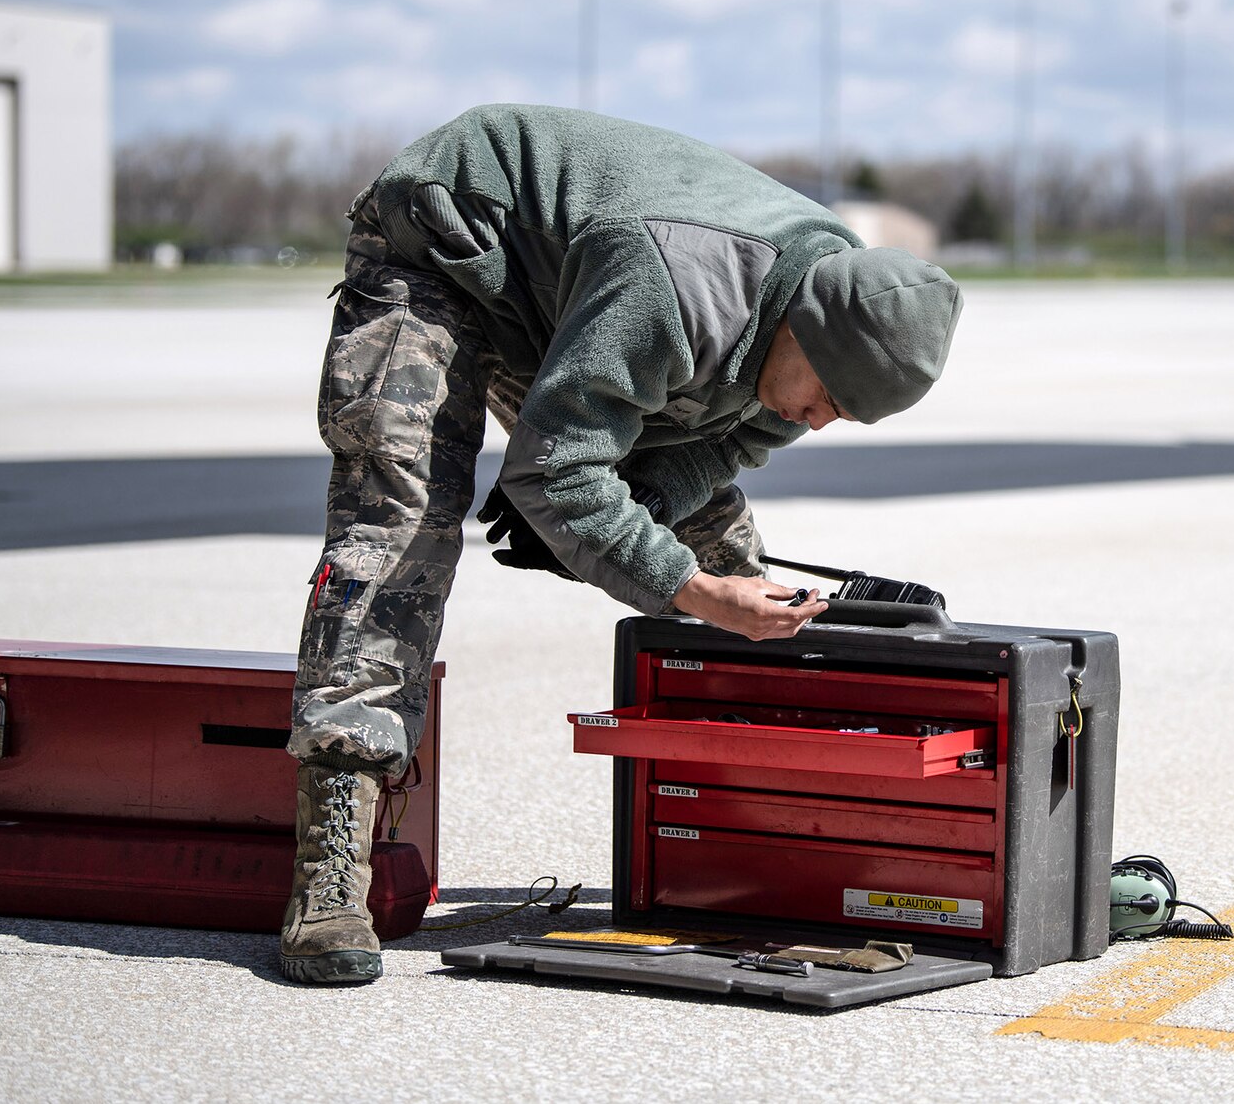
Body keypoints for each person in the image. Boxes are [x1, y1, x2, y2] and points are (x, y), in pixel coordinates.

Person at [278, 104, 962, 985]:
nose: (820, 420)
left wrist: (649, 520)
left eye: (844, 413)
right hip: (447, 248)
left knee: (711, 535)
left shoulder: (826, 313)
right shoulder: (676, 286)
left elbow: (725, 448)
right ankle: (330, 868)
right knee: (402, 521)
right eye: (825, 393)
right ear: (803, 326)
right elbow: (555, 474)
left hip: (566, 294)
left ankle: (756, 828)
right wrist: (685, 585)